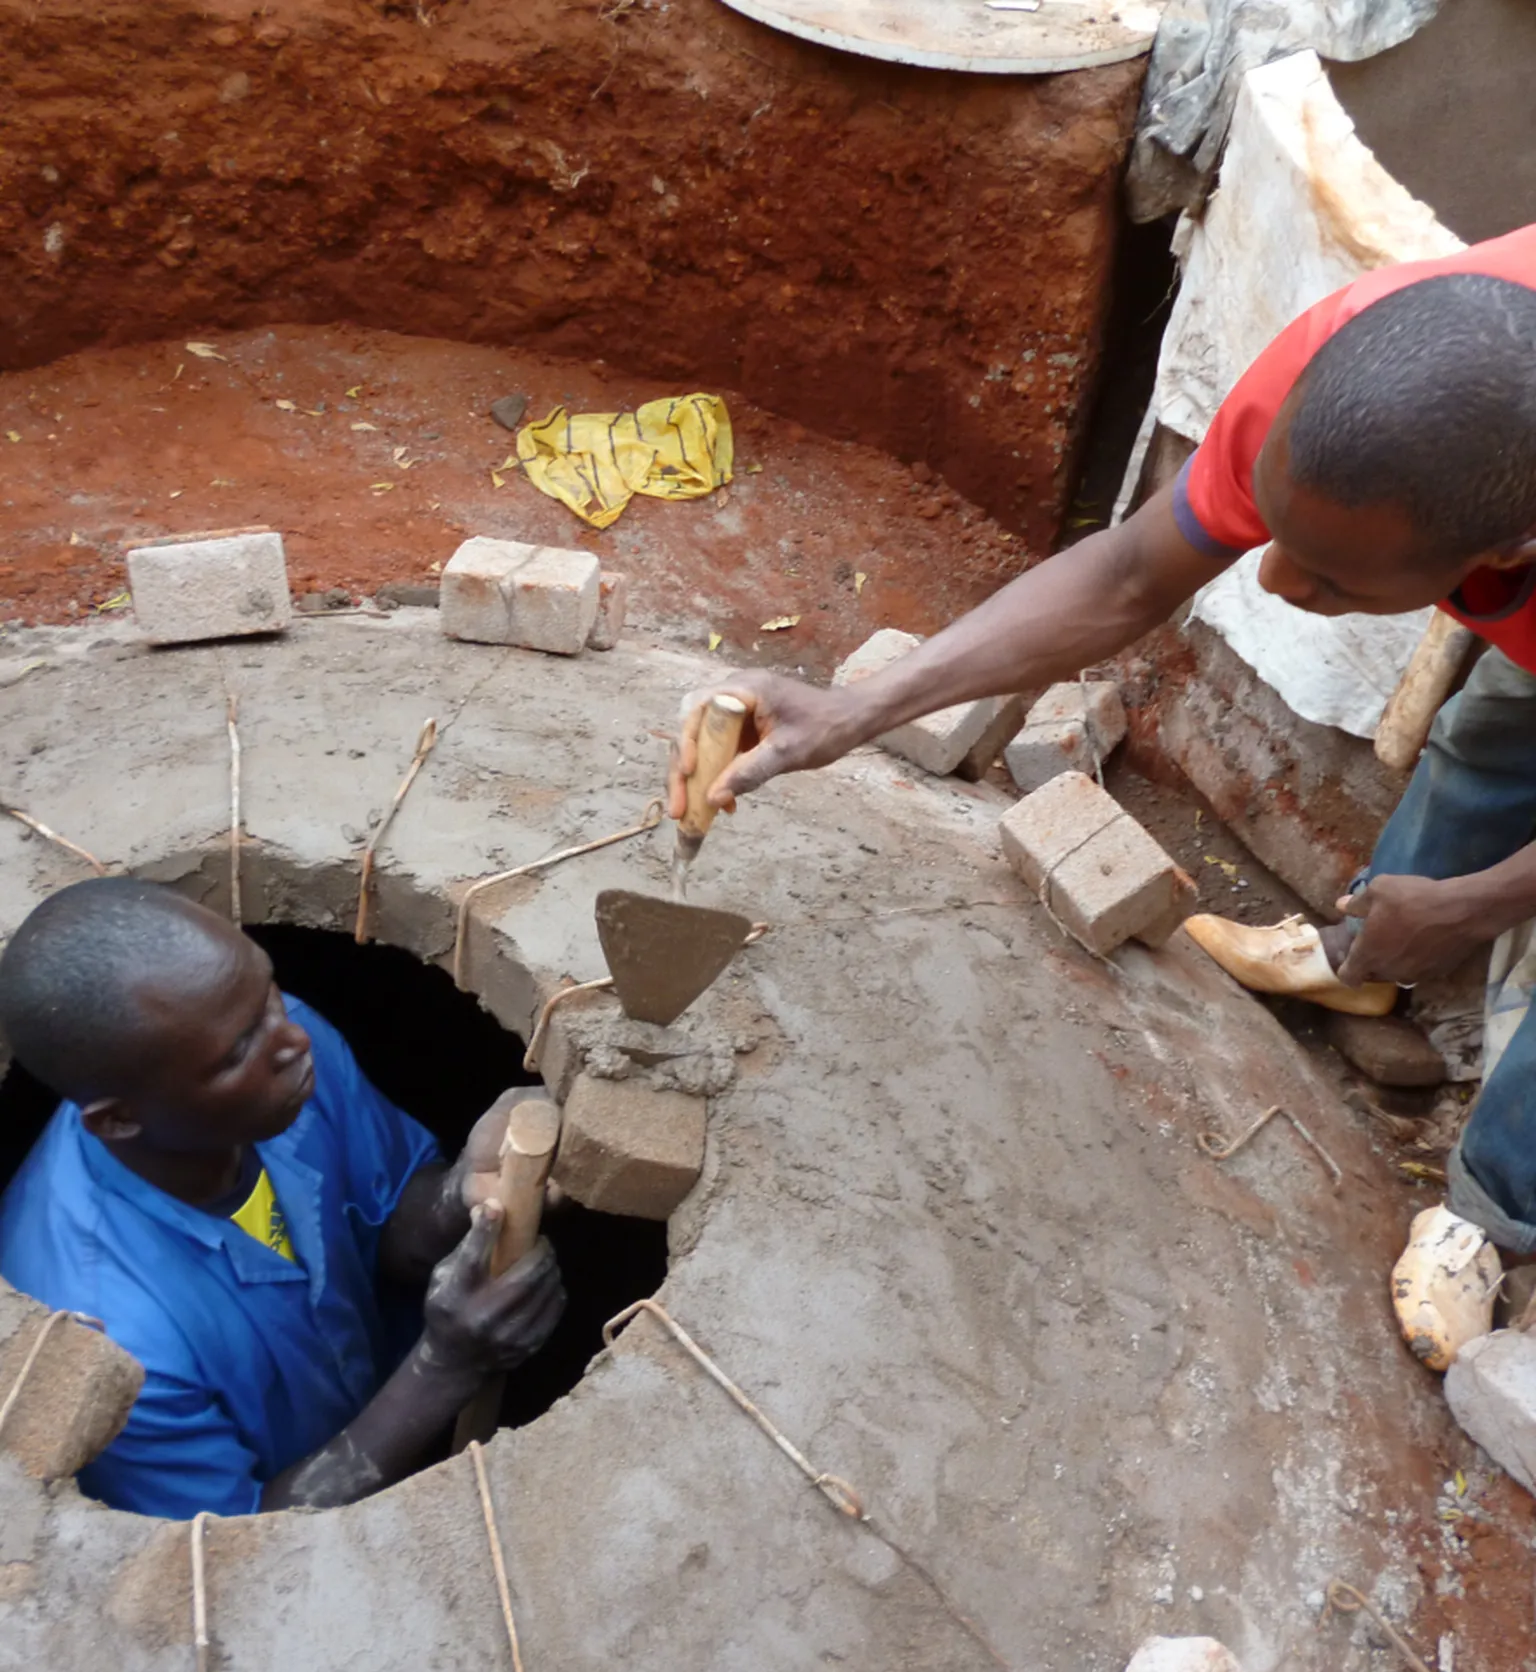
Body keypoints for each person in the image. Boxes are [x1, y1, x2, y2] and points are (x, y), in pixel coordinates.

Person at [671, 223, 1536, 1312]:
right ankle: (1368, 950)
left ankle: (1499, 1213)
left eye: (1330, 582)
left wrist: (1478, 904)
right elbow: (1130, 575)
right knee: (1495, 733)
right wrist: (855, 711)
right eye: (1276, 533)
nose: (1271, 581)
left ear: (1506, 550)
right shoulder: (1338, 375)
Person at [0, 878, 565, 1518]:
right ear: (118, 1120)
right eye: (239, 1049)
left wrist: (461, 1194)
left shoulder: (274, 1053)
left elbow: (380, 1219)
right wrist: (445, 1366)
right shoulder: (113, 1338)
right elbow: (236, 1556)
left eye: (266, 991)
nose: (291, 1037)